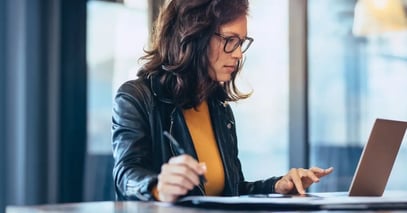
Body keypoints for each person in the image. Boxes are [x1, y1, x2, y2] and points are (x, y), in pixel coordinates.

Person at [112, 0, 333, 202]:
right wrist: (159, 187)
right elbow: (126, 175)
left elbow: (231, 192)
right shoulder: (136, 97)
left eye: (241, 42)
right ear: (194, 36)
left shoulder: (219, 108)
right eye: (229, 40)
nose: (238, 54)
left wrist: (277, 186)